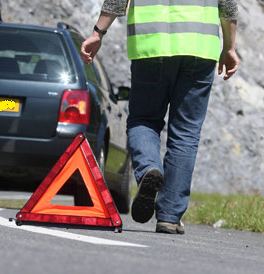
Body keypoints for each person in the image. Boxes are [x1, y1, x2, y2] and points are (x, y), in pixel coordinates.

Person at [81, 0, 239, 234]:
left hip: (150, 46)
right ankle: (169, 217)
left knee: (143, 120)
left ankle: (147, 170)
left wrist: (98, 33)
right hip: (199, 49)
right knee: (186, 133)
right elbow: (228, 6)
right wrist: (229, 48)